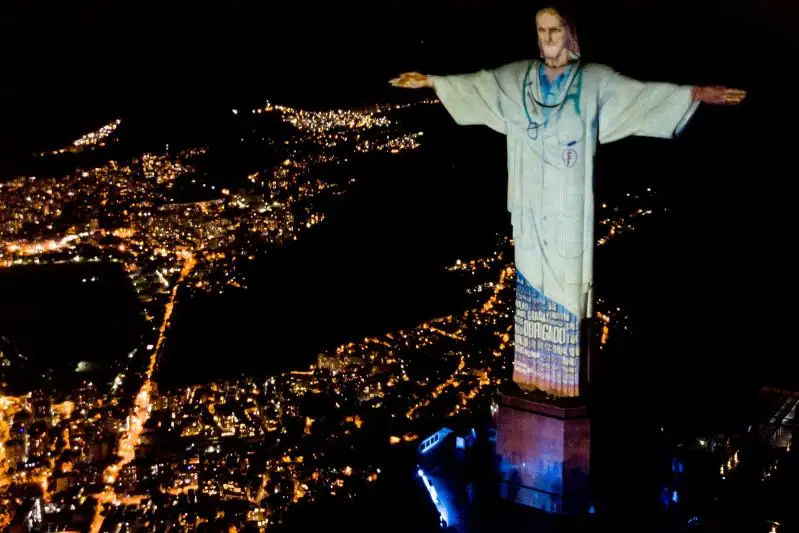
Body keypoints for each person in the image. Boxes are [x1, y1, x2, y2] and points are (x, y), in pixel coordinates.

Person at [389, 6, 745, 397]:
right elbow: (479, 84)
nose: (547, 38)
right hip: (529, 205)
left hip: (569, 208)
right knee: (529, 284)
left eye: (554, 30)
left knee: (569, 288)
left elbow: (642, 95)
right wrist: (432, 81)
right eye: (541, 30)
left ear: (569, 33)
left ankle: (564, 385)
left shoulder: (593, 81)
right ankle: (531, 380)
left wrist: (696, 93)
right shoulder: (519, 78)